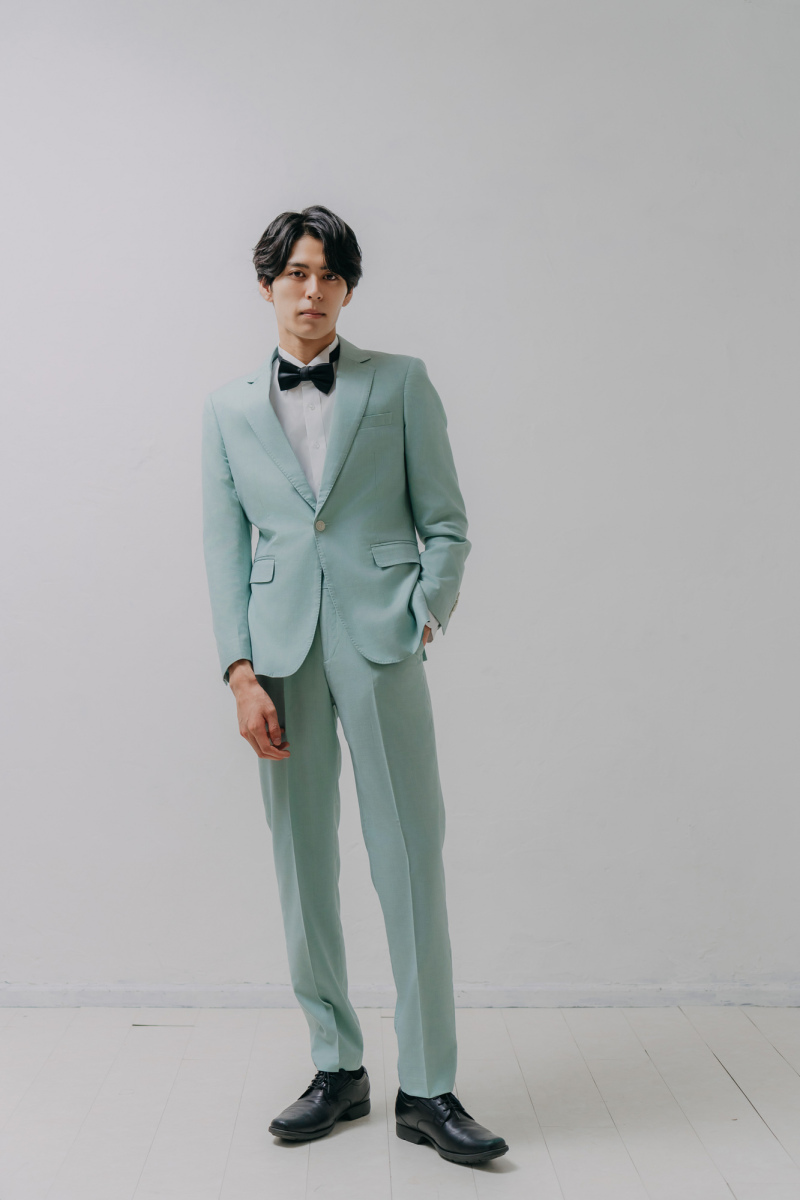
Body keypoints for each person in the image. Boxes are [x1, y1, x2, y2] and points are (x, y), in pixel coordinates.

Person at [201, 205, 508, 1165]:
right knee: (302, 864)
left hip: (381, 645)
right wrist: (239, 672)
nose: (313, 290)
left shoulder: (400, 382)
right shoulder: (227, 409)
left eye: (329, 275)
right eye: (296, 273)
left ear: (347, 289)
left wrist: (425, 608)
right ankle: (336, 1068)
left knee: (410, 856)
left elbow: (446, 521)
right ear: (268, 286)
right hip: (279, 658)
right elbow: (224, 550)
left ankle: (429, 1086)